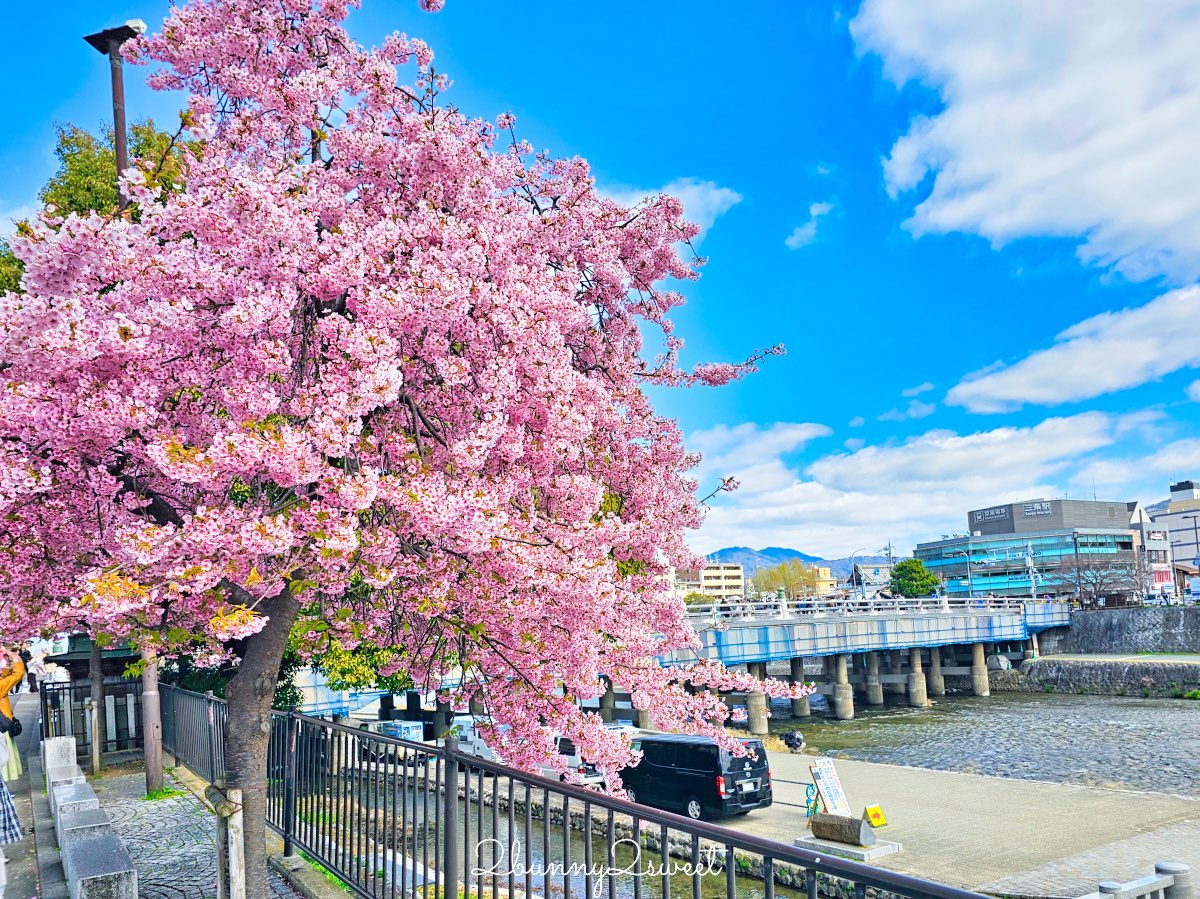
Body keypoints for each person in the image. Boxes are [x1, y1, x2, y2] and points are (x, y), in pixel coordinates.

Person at [0, 652, 24, 783]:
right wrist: (16, 659)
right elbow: (17, 675)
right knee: (4, 759)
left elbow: (5, 676)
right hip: (2, 727)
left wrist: (9, 664)